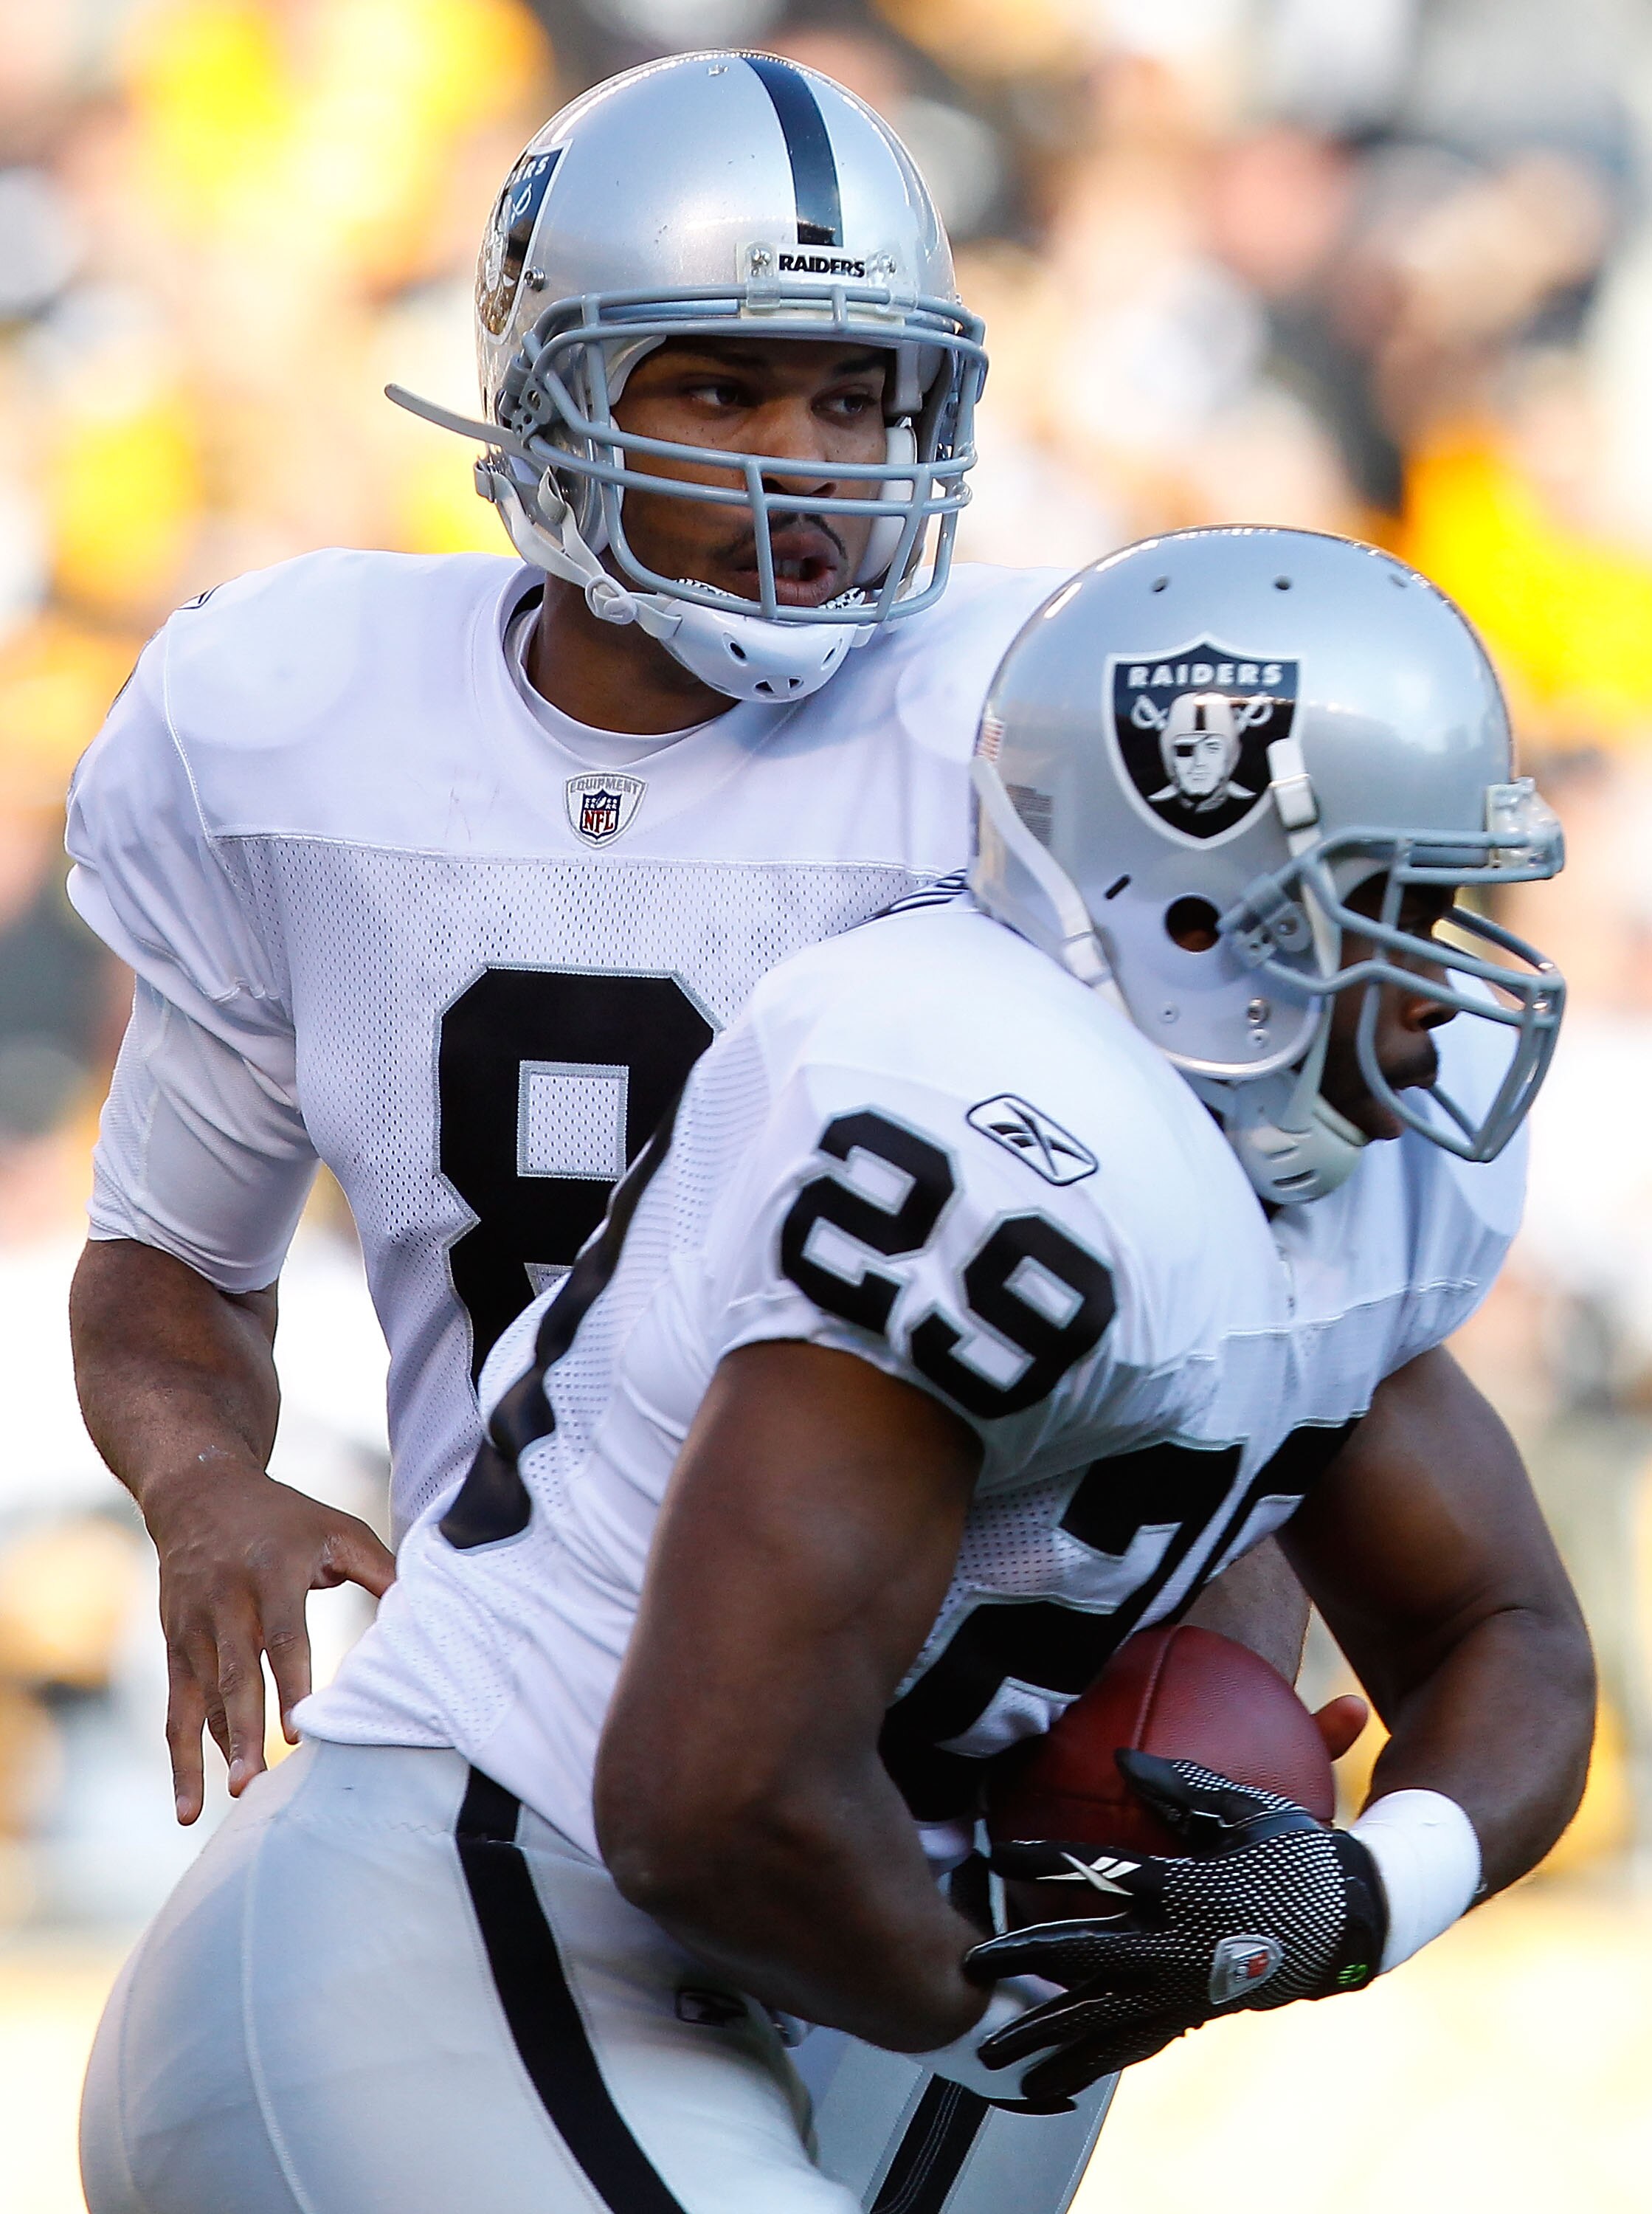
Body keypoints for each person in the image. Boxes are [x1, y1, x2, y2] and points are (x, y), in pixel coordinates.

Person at [79, 528, 1594, 2214]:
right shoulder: (993, 1132)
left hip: (795, 1960)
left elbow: (1505, 1633)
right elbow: (709, 1802)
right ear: (1199, 913)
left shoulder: (1350, 1174)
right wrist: (1026, 1998)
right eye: (1391, 911)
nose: (1448, 983)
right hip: (471, 1942)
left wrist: (1354, 1899)